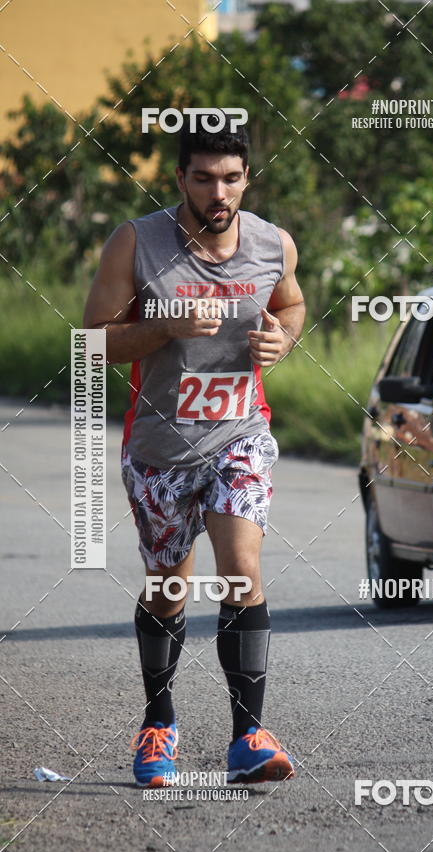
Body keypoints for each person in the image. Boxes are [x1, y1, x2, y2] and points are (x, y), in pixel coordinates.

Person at [83, 115, 305, 786]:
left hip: (239, 436)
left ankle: (249, 736)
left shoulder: (273, 244)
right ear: (180, 178)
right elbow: (90, 340)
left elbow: (291, 306)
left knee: (241, 567)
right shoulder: (137, 243)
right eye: (204, 178)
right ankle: (159, 721)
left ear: (246, 179)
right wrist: (161, 326)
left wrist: (283, 340)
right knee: (167, 590)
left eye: (232, 179)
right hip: (159, 451)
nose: (219, 193)